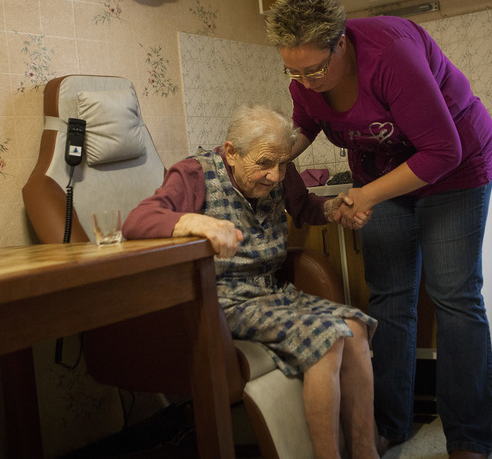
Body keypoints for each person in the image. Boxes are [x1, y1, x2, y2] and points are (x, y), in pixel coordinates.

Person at [264, 0, 492, 459]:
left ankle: (469, 437)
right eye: (293, 70)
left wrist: (364, 195)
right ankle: (391, 423)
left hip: (454, 169)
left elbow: (443, 150)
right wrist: (268, 156)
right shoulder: (303, 83)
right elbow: (305, 124)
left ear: (341, 45)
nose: (305, 82)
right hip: (381, 173)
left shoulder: (390, 56)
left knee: (454, 296)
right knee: (390, 299)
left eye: (314, 70)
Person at [122, 104, 380, 459]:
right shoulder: (194, 173)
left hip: (271, 291)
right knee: (329, 337)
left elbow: (303, 206)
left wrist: (333, 207)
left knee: (354, 326)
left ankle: (366, 452)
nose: (275, 175)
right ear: (231, 152)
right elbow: (138, 220)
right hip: (222, 300)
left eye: (282, 163)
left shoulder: (278, 170)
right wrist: (194, 223)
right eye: (263, 164)